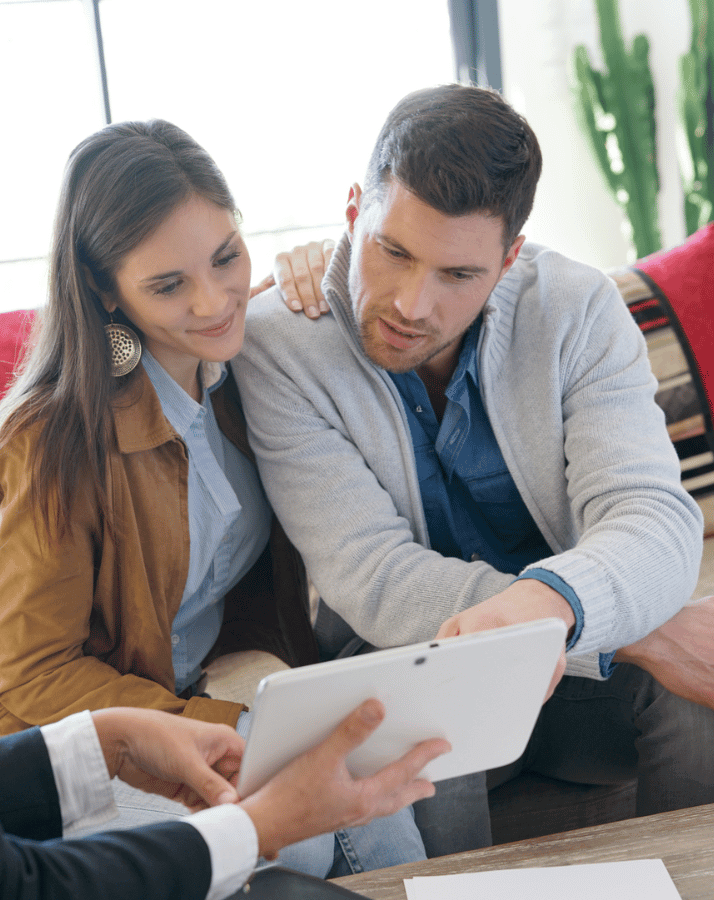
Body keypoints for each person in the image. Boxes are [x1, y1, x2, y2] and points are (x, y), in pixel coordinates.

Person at [0, 149, 451, 899]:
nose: (216, 301)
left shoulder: (249, 374)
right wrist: (219, 723)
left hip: (165, 711)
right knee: (300, 851)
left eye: (226, 258)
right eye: (169, 285)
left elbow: (372, 296)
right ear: (105, 291)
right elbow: (34, 671)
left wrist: (321, 262)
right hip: (36, 731)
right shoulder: (57, 437)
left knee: (381, 795)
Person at [232, 83, 714, 856]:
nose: (411, 305)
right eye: (392, 252)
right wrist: (619, 628)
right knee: (430, 695)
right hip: (407, 660)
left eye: (458, 275)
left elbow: (652, 518)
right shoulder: (279, 346)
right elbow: (377, 581)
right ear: (354, 210)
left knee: (698, 699)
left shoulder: (578, 308)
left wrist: (559, 612)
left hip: (575, 676)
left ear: (509, 258)